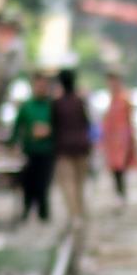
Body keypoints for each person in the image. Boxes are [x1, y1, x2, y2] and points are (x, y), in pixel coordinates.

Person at [11, 75, 57, 223]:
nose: (41, 88)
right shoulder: (27, 106)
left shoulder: (52, 106)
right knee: (28, 183)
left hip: (47, 151)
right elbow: (17, 127)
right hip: (30, 151)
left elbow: (59, 126)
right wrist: (14, 144)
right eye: (38, 85)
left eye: (43, 85)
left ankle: (43, 213)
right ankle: (27, 210)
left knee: (43, 183)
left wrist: (49, 131)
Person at [50, 69, 93, 222]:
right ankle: (79, 213)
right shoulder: (80, 102)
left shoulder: (57, 103)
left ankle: (74, 216)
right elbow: (87, 123)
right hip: (81, 147)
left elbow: (53, 127)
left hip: (64, 149)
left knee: (68, 183)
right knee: (79, 183)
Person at [100, 71, 137, 209]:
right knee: (115, 168)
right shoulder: (111, 99)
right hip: (111, 140)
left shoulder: (124, 99)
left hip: (121, 139)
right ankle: (119, 194)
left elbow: (129, 120)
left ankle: (121, 195)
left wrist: (131, 139)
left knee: (120, 167)